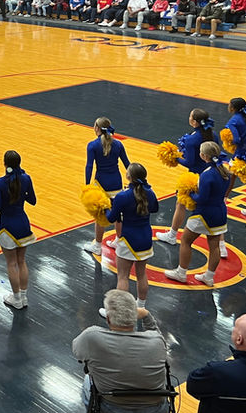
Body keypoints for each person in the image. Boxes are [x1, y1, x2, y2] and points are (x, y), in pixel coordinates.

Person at [72, 290, 170, 413]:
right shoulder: (156, 341)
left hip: (113, 409)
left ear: (108, 319)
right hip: (155, 411)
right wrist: (147, 316)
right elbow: (157, 335)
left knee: (87, 381)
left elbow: (77, 352)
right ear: (134, 317)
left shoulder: (91, 336)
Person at [156, 109, 221, 255]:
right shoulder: (213, 135)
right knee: (215, 206)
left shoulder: (193, 140)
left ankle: (172, 235)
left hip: (196, 178)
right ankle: (221, 246)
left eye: (190, 116)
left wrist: (175, 157)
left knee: (181, 203)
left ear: (194, 122)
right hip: (214, 173)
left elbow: (190, 162)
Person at [165, 142, 229, 287]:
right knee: (214, 246)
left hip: (204, 214)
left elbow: (202, 199)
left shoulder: (207, 175)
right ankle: (209, 277)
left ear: (204, 156)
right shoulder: (224, 171)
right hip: (220, 213)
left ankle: (181, 273)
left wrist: (190, 193)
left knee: (186, 241)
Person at [103, 163, 158, 315]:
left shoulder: (122, 196)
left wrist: (106, 208)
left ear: (129, 177)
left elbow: (111, 218)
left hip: (128, 240)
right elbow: (155, 208)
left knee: (123, 277)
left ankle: (119, 312)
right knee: (142, 275)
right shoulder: (150, 192)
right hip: (145, 238)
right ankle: (141, 307)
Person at [0, 149, 36, 310]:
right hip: (23, 224)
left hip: (7, 227)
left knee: (11, 263)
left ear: (4, 163)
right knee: (22, 261)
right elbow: (32, 200)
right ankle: (24, 297)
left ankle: (15, 298)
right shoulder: (26, 178)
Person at [84, 116, 130, 254]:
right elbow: (127, 164)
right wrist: (133, 181)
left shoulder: (92, 145)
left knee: (100, 215)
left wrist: (87, 185)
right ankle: (119, 241)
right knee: (118, 213)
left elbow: (89, 166)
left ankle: (97, 246)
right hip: (116, 182)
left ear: (97, 128)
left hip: (101, 184)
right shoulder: (118, 144)